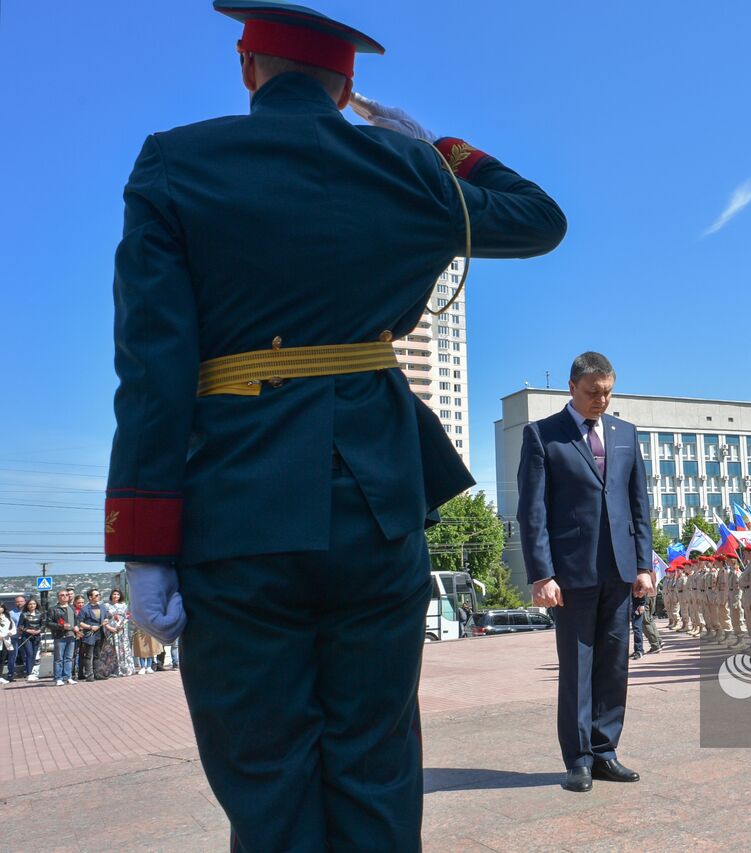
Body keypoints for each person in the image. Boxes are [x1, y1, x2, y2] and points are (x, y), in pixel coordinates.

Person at [102, 4, 565, 847]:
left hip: (237, 509)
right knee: (378, 769)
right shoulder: (406, 170)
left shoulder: (176, 165)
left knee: (269, 786)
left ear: (248, 68)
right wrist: (442, 149)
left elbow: (152, 367)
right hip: (376, 501)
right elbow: (538, 217)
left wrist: (144, 539)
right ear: (349, 85)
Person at [517, 352, 654, 794]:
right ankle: (577, 759)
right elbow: (532, 511)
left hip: (619, 569)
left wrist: (644, 565)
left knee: (614, 666)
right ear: (572, 388)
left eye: (608, 391)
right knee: (577, 667)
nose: (602, 400)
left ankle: (605, 752)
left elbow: (639, 506)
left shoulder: (626, 434)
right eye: (593, 392)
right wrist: (542, 574)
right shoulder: (542, 435)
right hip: (570, 575)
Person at [99, 589, 135, 678]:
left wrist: (121, 625)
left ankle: (124, 669)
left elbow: (127, 616)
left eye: (118, 594)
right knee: (111, 650)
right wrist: (110, 628)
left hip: (121, 631)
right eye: (114, 594)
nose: (116, 596)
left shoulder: (123, 605)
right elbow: (103, 618)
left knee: (123, 649)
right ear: (111, 595)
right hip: (110, 631)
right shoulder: (106, 606)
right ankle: (112, 670)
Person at [78, 589, 109, 682]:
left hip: (100, 634)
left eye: (99, 594)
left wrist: (106, 621)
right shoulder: (84, 609)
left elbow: (106, 617)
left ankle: (97, 674)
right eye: (96, 595)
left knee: (97, 655)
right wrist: (90, 627)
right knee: (89, 655)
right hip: (90, 635)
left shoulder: (102, 607)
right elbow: (80, 623)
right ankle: (89, 675)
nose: (99, 596)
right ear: (90, 597)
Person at [48, 589, 78, 686]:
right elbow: (48, 623)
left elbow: (75, 620)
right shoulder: (53, 609)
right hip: (59, 636)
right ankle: (58, 678)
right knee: (58, 658)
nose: (64, 596)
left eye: (66, 595)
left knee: (69, 658)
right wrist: (61, 626)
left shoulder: (72, 608)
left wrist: (76, 627)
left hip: (71, 636)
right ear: (58, 597)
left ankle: (68, 677)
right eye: (62, 595)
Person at [16, 599, 45, 682]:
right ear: (27, 605)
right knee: (29, 654)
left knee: (34, 655)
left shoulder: (40, 614)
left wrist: (39, 631)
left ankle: (32, 673)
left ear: (36, 605)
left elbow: (43, 625)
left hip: (37, 637)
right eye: (30, 604)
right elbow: (20, 626)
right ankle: (29, 674)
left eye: (34, 604)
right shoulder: (24, 614)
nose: (32, 605)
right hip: (27, 637)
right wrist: (28, 630)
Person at [5, 595, 25, 681]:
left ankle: (27, 673)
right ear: (15, 603)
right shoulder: (11, 613)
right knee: (13, 657)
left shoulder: (27, 612)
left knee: (27, 656)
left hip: (26, 637)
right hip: (14, 638)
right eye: (17, 601)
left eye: (21, 601)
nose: (19, 603)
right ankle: (10, 675)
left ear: (24, 602)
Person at [0, 607, 14, 684]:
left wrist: (9, 633)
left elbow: (12, 627)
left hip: (5, 641)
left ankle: (0, 676)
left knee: (2, 659)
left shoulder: (7, 617)